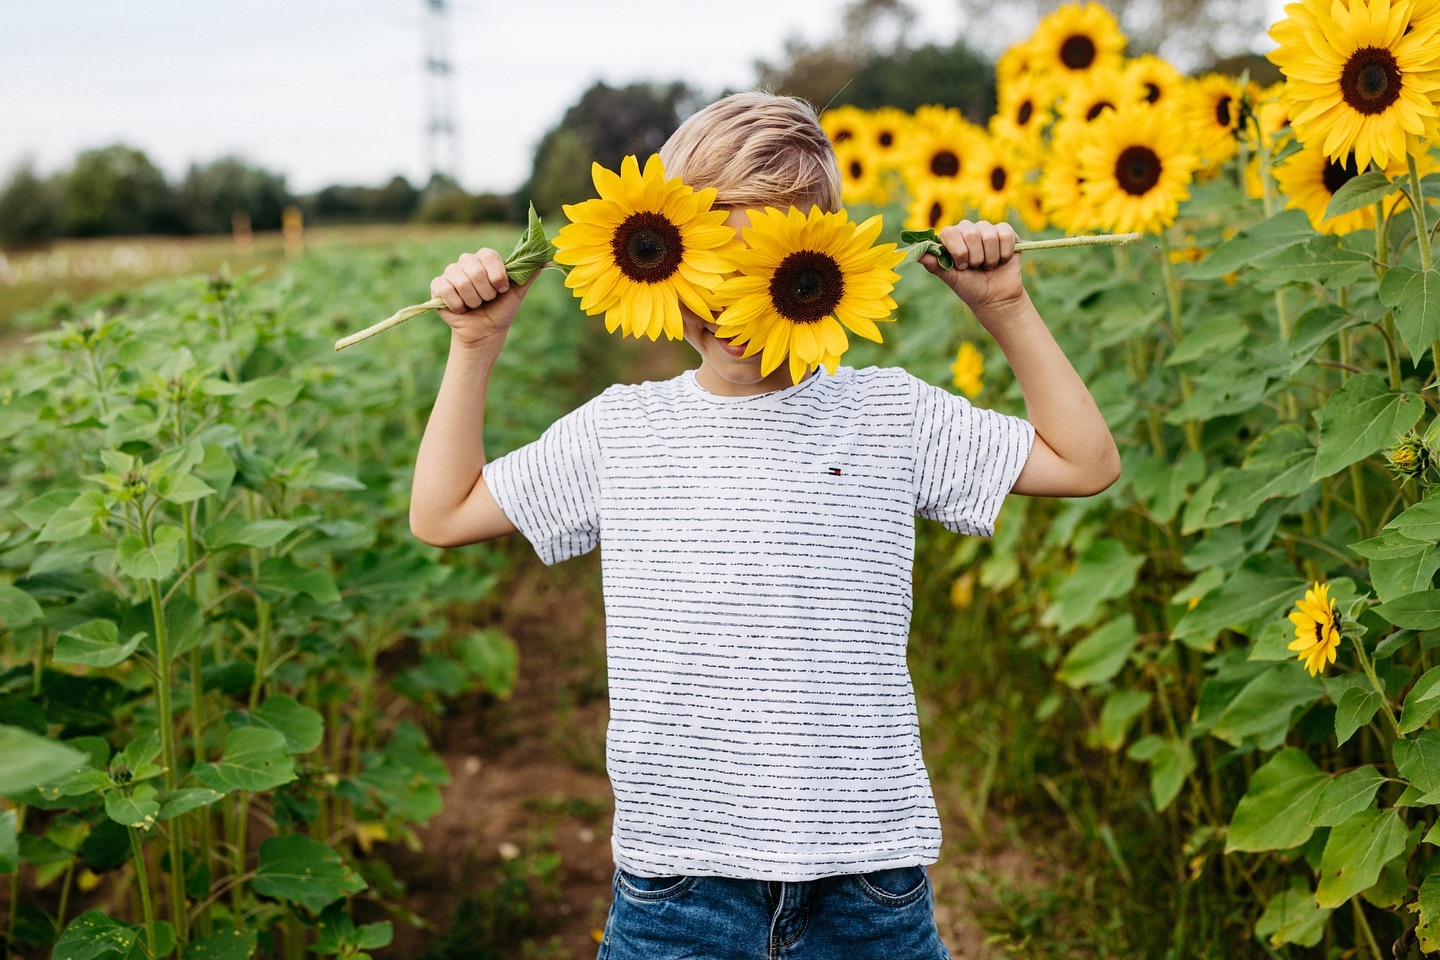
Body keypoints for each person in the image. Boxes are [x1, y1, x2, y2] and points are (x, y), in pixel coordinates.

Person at [409, 91, 1121, 960]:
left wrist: (1004, 306)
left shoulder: (887, 416)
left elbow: (1085, 462)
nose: (736, 302)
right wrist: (474, 346)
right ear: (663, 259)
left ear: (820, 263)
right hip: (678, 890)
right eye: (712, 266)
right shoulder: (623, 431)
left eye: (767, 268)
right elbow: (443, 512)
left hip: (866, 883)